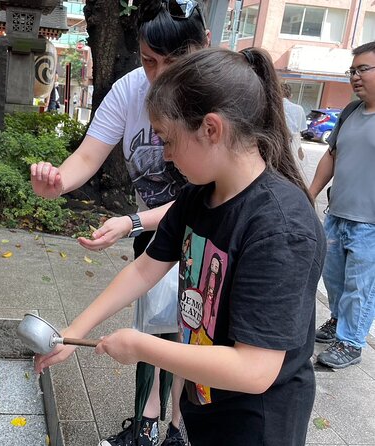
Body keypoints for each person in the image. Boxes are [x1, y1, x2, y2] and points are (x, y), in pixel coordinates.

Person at [34, 46, 325, 446]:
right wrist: (73, 332)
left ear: (211, 129)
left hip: (256, 423)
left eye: (168, 140)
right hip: (205, 401)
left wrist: (143, 346)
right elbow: (144, 268)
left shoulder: (280, 226)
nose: (166, 156)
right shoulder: (199, 196)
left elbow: (255, 369)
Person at [31, 1, 210, 445]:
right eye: (149, 61)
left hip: (207, 240)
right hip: (155, 234)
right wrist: (58, 182)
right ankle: (152, 426)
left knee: (190, 338)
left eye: (173, 62)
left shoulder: (214, 96)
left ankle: (178, 429)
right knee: (157, 322)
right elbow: (88, 156)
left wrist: (132, 221)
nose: (159, 75)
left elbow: (204, 199)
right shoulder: (131, 89)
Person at [310, 41, 375, 369]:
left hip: (371, 224)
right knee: (332, 277)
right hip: (337, 214)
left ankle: (351, 342)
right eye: (352, 71)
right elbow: (331, 155)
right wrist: (310, 193)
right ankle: (339, 321)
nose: (355, 77)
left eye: (363, 69)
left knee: (359, 287)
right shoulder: (350, 112)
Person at [281, 83, 308, 182]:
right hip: (293, 144)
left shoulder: (272, 107)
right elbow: (301, 129)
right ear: (291, 95)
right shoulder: (299, 109)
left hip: (276, 141)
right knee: (291, 170)